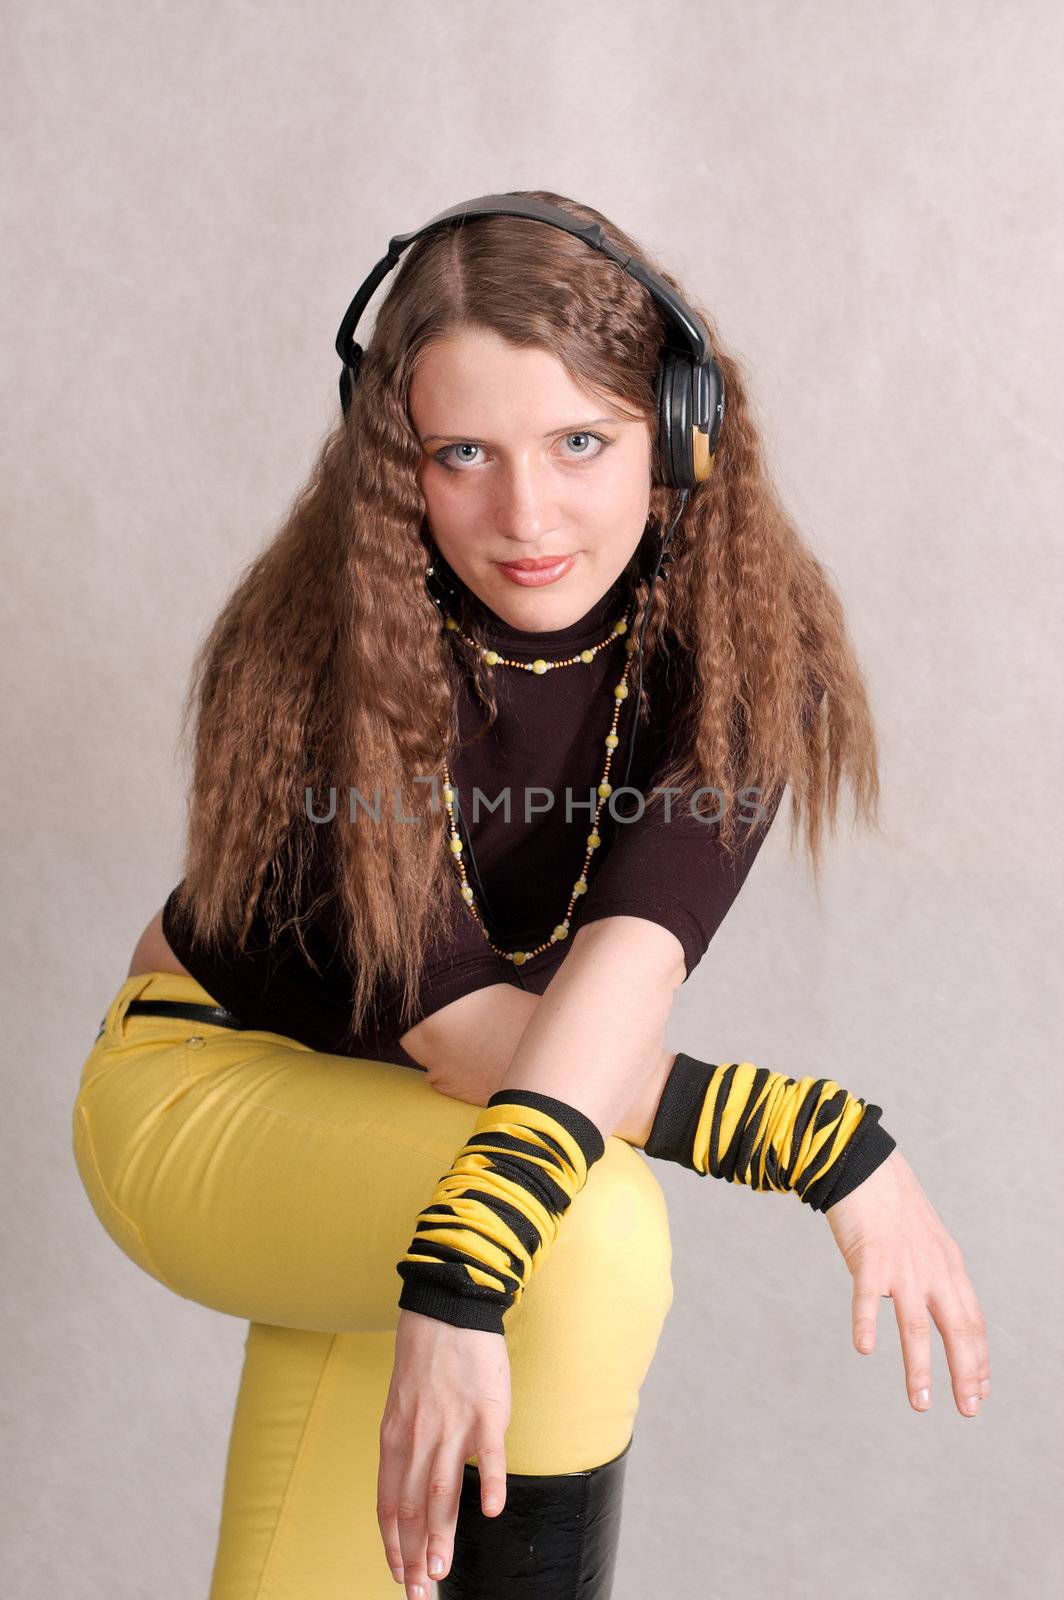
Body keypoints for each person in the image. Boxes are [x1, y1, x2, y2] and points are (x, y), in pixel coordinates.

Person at [71, 191, 990, 1600]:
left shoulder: (746, 650)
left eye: (581, 442)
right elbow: (460, 1030)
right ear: (398, 468)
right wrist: (806, 1140)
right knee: (591, 1234)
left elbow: (625, 974)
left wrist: (459, 1262)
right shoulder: (336, 647)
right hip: (209, 1086)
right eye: (463, 454)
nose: (527, 515)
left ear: (679, 430)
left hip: (435, 1126)